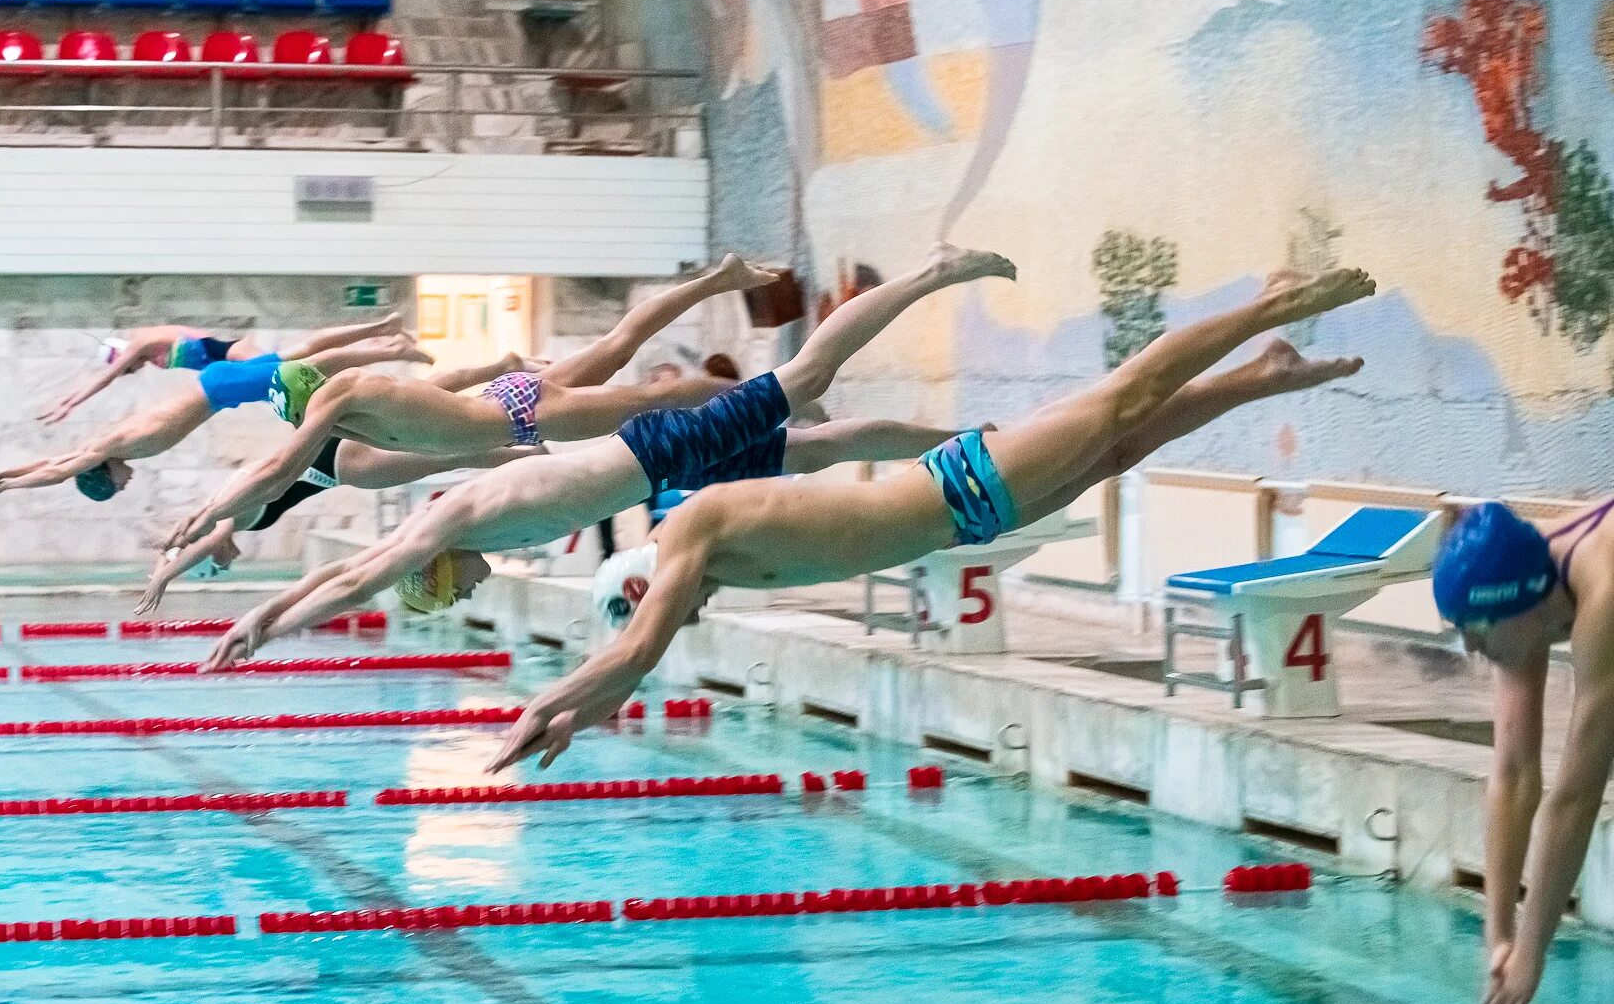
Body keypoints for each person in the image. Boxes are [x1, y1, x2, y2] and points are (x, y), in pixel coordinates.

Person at [489, 266, 1376, 773]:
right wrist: (576, 716)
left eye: (651, 603)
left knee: (1120, 399)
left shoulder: (691, 535)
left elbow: (633, 652)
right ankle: (1263, 372)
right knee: (1120, 450)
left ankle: (1271, 303)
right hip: (967, 521)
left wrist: (544, 705)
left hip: (957, 481)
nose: (671, 615)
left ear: (640, 577)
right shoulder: (702, 570)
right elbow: (635, 659)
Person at [194, 242, 1020, 670]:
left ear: (443, 574)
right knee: (813, 447)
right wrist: (263, 617)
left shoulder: (447, 524)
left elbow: (351, 579)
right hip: (661, 465)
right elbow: (348, 570)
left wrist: (263, 627)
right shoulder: (461, 527)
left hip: (651, 448)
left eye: (454, 595)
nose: (472, 592)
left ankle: (933, 274)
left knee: (806, 377)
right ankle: (978, 441)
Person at [158, 256, 781, 548]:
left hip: (522, 412)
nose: (292, 426)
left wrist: (199, 522)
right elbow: (443, 401)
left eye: (291, 415)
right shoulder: (359, 414)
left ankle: (770, 394)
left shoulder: (345, 410)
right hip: (509, 402)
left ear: (304, 404)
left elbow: (273, 473)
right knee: (625, 354)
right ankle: (718, 282)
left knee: (657, 396)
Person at [1430, 496, 1614, 1004]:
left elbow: (1577, 794)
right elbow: (1513, 776)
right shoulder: (1523, 574)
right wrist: (1500, 938)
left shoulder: (1604, 593)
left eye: (1477, 630)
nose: (1470, 647)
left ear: (1518, 606)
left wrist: (1533, 952)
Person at [0, 330, 439, 500]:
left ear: (103, 475)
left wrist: (6, 486)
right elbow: (55, 464)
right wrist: (1, 474)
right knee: (301, 362)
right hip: (216, 389)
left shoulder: (109, 447)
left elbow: (54, 471)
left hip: (217, 390)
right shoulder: (102, 446)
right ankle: (381, 344)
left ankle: (386, 348)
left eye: (116, 486)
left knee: (303, 369)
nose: (127, 484)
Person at [136, 433, 539, 613]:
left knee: (447, 456)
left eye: (218, 565)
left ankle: (530, 453)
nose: (227, 562)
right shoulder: (226, 504)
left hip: (341, 464)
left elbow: (204, 541)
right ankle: (522, 442)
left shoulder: (226, 512)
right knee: (438, 443)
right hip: (337, 458)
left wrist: (166, 575)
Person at [37, 315, 404, 425]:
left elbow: (104, 378)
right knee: (304, 359)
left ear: (122, 358)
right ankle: (379, 336)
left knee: (303, 361)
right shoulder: (145, 348)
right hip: (228, 360)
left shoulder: (141, 342)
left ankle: (378, 341)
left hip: (233, 353)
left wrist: (70, 403)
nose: (132, 372)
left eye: (126, 370)